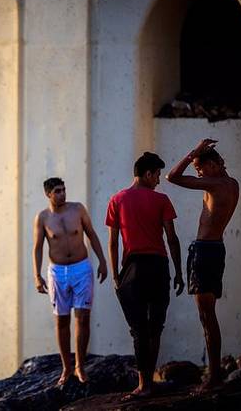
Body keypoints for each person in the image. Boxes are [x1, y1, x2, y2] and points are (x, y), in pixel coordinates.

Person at [106, 152, 185, 400]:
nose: (159, 180)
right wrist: (179, 271)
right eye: (157, 175)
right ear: (148, 174)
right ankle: (149, 382)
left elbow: (113, 242)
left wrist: (116, 275)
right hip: (158, 266)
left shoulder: (117, 200)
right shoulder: (161, 200)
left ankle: (144, 384)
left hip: (132, 268)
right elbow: (172, 238)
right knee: (155, 327)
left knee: (139, 329)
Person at [166, 138, 239, 392]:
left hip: (205, 252)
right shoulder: (232, 183)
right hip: (215, 249)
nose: (198, 173)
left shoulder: (215, 184)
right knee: (209, 316)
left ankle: (214, 376)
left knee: (206, 317)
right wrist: (200, 155)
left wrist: (193, 152)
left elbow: (172, 177)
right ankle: (214, 373)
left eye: (200, 167)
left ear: (214, 164)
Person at [33, 177, 108, 386]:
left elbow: (91, 234)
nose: (62, 194)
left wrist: (102, 261)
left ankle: (80, 366)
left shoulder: (78, 209)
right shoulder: (43, 217)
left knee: (83, 317)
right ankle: (66, 367)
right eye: (57, 191)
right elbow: (37, 247)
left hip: (81, 268)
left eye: (64, 190)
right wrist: (37, 276)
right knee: (62, 320)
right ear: (48, 194)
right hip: (57, 272)